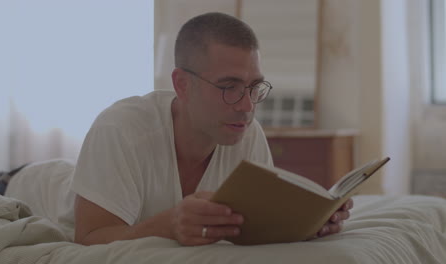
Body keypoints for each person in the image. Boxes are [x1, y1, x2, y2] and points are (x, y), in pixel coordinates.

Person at [72, 12, 353, 246]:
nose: (247, 106)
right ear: (182, 84)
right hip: (37, 185)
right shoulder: (120, 130)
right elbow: (89, 238)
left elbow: (258, 228)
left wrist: (309, 225)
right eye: (229, 87)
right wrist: (168, 225)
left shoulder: (247, 132)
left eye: (255, 87)